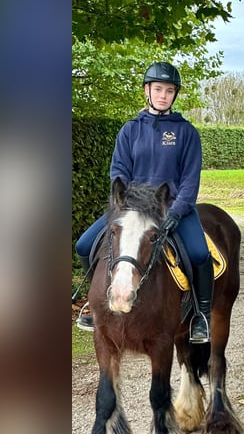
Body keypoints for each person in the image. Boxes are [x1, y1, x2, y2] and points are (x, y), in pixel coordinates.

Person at [74, 61, 214, 344]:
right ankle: (95, 303)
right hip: (132, 209)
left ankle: (201, 316)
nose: (163, 95)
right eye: (158, 89)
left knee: (199, 254)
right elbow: (119, 171)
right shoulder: (130, 130)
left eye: (170, 90)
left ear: (175, 95)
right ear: (147, 91)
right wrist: (122, 202)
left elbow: (190, 180)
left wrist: (176, 211)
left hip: (172, 207)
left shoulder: (186, 133)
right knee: (85, 245)